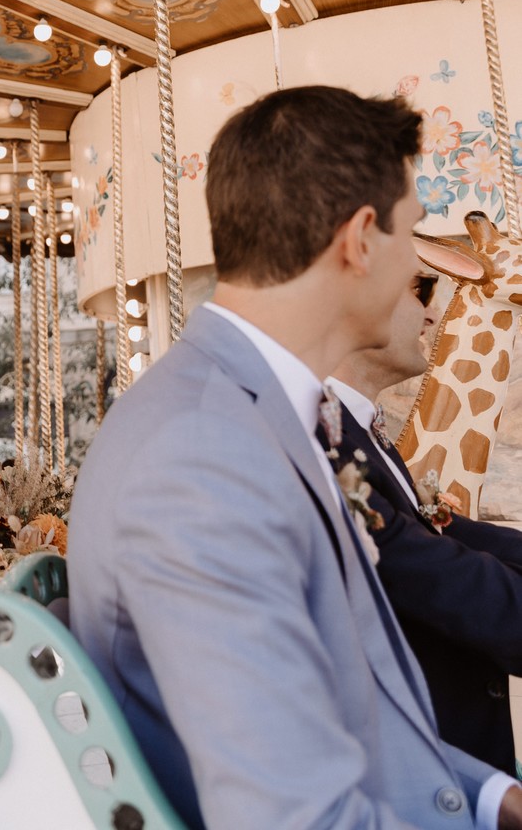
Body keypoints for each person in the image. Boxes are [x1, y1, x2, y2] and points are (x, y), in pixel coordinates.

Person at [69, 86, 522, 829]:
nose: (420, 264)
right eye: (412, 236)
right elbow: (295, 814)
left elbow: (354, 699)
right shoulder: (202, 456)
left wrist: (491, 796)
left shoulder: (262, 416)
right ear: (360, 239)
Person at [328, 269, 522, 772]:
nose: (433, 312)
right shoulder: (323, 439)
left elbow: (443, 532)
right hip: (419, 770)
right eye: (420, 290)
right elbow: (420, 565)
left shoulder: (367, 434)